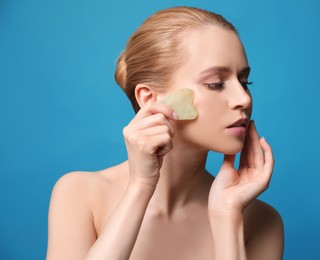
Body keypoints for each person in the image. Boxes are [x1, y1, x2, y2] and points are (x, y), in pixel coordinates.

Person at [46, 6, 284, 260]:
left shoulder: (261, 222)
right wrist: (140, 187)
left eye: (244, 82)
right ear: (149, 98)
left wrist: (227, 219)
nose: (243, 99)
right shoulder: (81, 194)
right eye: (215, 84)